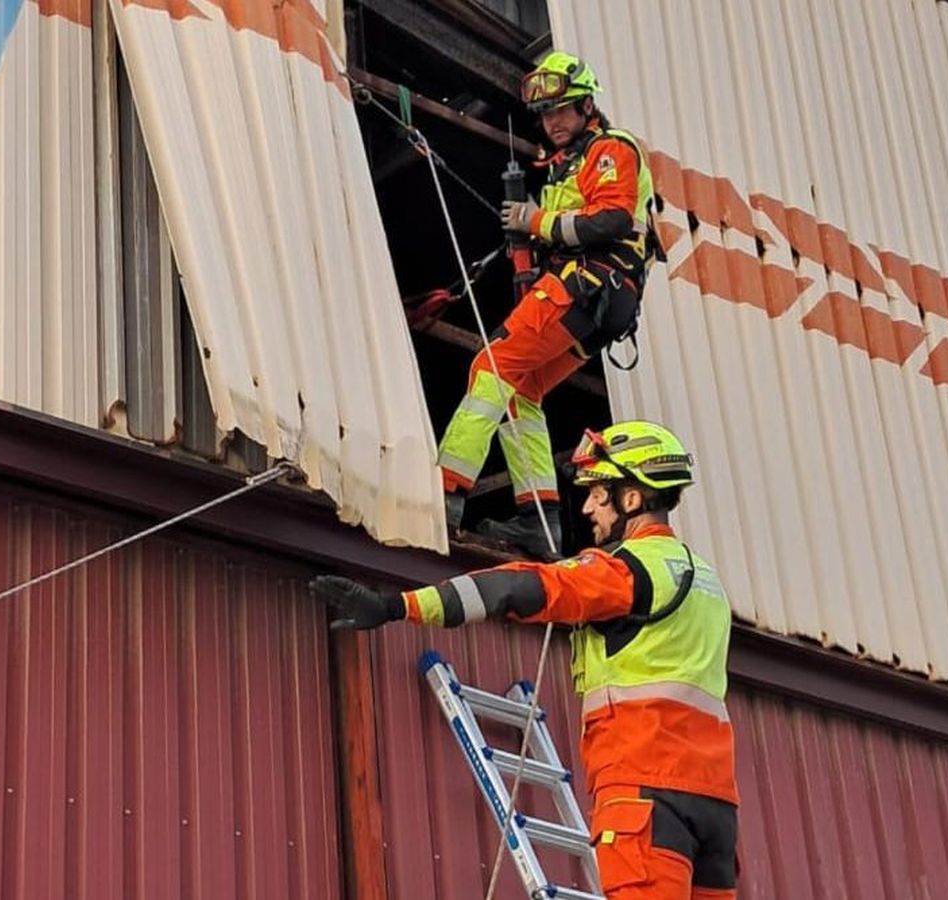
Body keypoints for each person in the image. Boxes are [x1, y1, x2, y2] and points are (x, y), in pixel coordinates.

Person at [314, 420, 738, 899]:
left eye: (598, 494)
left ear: (633, 498)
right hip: (715, 806)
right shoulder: (707, 582)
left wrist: (399, 606)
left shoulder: (625, 572)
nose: (587, 507)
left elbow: (515, 588)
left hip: (644, 792)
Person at [438, 51, 660, 560]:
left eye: (562, 109)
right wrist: (533, 239)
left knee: (491, 366)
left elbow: (611, 220)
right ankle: (539, 521)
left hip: (586, 287)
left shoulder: (610, 149)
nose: (552, 121)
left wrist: (535, 222)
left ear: (587, 107)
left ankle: (447, 492)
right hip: (599, 302)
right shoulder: (566, 168)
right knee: (523, 391)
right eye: (545, 114)